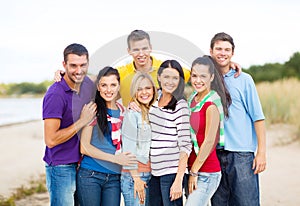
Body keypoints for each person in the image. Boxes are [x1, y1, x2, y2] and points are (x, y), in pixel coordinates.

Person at [209, 32, 266, 206]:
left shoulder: (243, 79)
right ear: (211, 51)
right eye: (218, 49)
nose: (222, 53)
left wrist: (261, 152)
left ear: (232, 53)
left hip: (241, 155)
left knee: (247, 203)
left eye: (227, 50)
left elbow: (258, 118)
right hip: (215, 155)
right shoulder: (205, 79)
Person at [43, 43, 97, 206]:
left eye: (83, 65)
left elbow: (111, 84)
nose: (78, 70)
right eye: (73, 65)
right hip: (61, 166)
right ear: (64, 65)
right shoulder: (55, 94)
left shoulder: (88, 84)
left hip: (85, 164)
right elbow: (51, 140)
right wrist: (82, 121)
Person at [76, 66, 137, 206]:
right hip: (91, 174)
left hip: (114, 177)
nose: (109, 90)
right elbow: (84, 147)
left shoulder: (124, 111)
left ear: (119, 87)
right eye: (104, 85)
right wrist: (116, 159)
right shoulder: (93, 109)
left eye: (113, 85)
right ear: (98, 87)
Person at [185, 56, 231, 205]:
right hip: (193, 168)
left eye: (203, 76)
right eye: (194, 76)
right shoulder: (193, 99)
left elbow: (210, 141)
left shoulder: (211, 104)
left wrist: (194, 172)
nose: (198, 80)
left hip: (206, 172)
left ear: (211, 77)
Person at [148, 59, 192, 206]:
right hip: (154, 171)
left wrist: (179, 179)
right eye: (166, 77)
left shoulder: (180, 105)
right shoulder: (153, 98)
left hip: (172, 172)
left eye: (175, 78)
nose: (170, 82)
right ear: (159, 77)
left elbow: (185, 144)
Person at [121, 72, 158, 206]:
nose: (144, 92)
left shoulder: (154, 111)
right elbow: (128, 150)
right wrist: (136, 178)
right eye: (139, 89)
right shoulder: (132, 114)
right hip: (135, 176)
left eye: (147, 88)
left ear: (154, 90)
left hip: (151, 174)